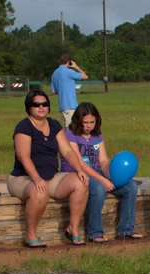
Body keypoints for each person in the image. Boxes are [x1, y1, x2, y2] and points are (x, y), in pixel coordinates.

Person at [11, 91, 88, 246]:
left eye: (44, 104)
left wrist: (79, 169)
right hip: (23, 178)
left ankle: (72, 228)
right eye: (36, 104)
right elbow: (23, 156)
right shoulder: (24, 127)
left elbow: (67, 151)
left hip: (51, 176)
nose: (41, 107)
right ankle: (30, 234)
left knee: (82, 182)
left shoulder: (54, 125)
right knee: (40, 191)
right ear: (29, 107)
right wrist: (37, 179)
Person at [63, 101, 142, 242]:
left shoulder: (97, 137)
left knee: (131, 187)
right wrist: (102, 180)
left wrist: (110, 176)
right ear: (78, 121)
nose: (88, 126)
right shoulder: (70, 135)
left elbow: (104, 161)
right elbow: (80, 163)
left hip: (96, 173)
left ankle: (126, 229)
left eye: (92, 122)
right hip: (76, 174)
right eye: (85, 122)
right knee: (98, 189)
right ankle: (95, 232)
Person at [50, 53, 87, 127]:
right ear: (69, 62)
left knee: (69, 127)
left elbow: (53, 91)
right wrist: (76, 67)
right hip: (71, 105)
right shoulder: (69, 72)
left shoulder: (55, 73)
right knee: (71, 130)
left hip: (62, 106)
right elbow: (85, 76)